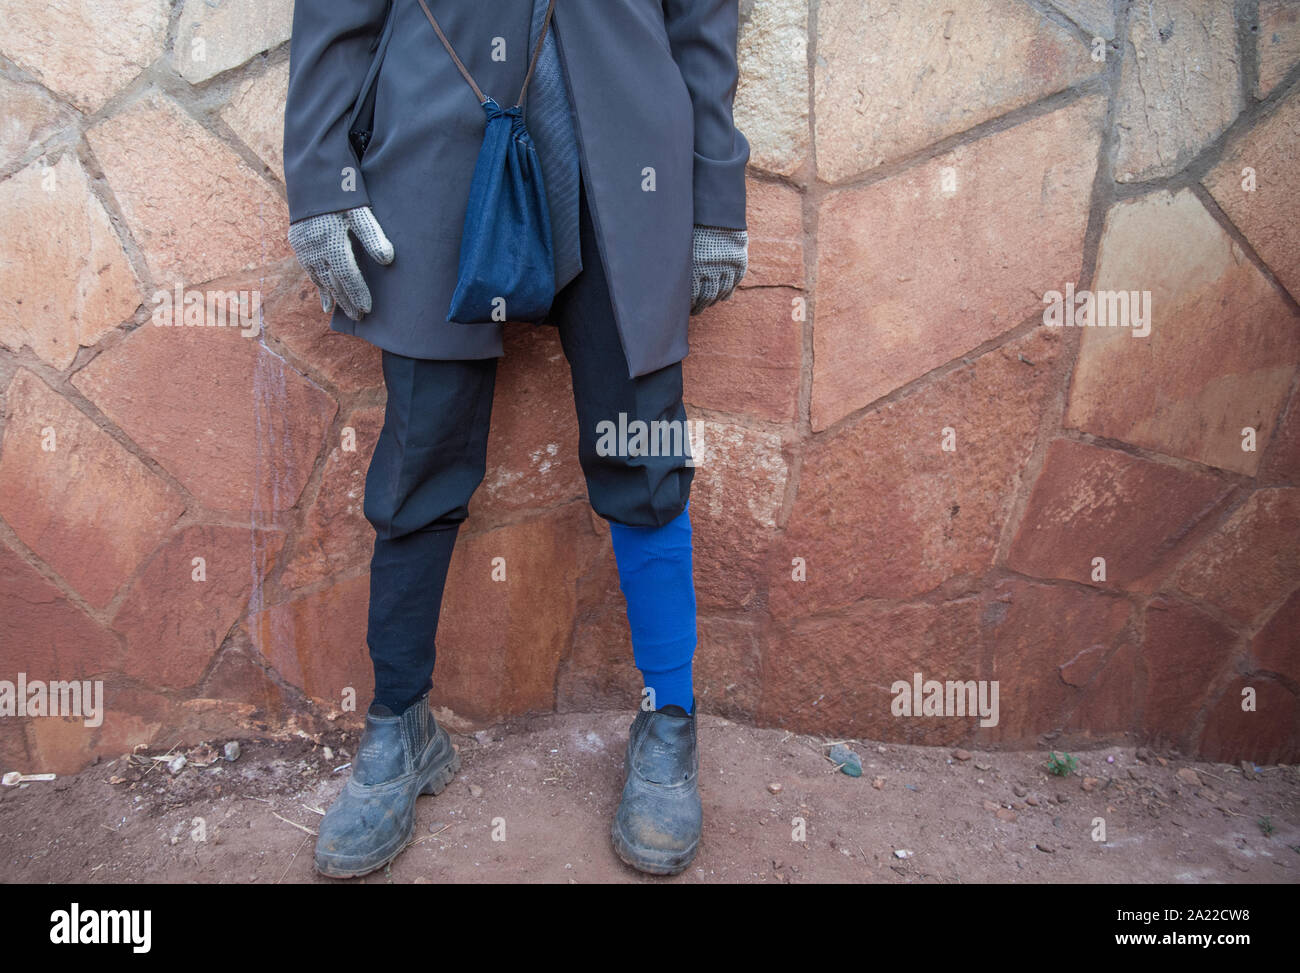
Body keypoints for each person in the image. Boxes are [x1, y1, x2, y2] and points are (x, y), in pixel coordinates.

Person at [283, 0, 749, 878]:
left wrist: (715, 187)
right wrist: (321, 179)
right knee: (421, 449)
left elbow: (702, 13)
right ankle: (398, 727)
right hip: (436, 132)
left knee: (642, 443)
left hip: (625, 151)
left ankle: (669, 718)